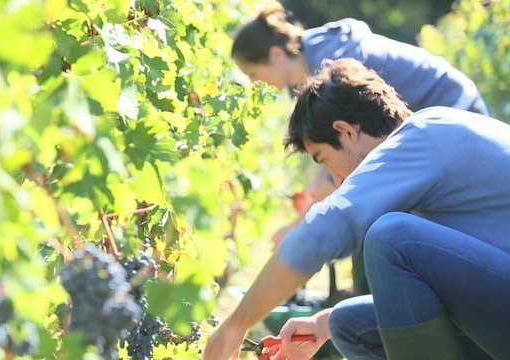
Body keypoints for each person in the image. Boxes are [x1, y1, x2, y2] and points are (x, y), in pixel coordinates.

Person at [203, 58, 510, 360]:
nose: (336, 181)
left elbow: (330, 225)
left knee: (392, 238)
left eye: (324, 160)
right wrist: (322, 325)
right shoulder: (430, 144)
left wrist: (236, 324)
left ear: (346, 132)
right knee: (345, 323)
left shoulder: (424, 135)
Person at [231, 1, 490, 295]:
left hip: (452, 108)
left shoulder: (331, 65)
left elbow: (346, 164)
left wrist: (299, 227)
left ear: (276, 55)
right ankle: (372, 305)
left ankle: (385, 304)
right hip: (419, 123)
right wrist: (309, 200)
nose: (255, 83)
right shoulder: (307, 72)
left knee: (380, 215)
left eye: (253, 74)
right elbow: (328, 154)